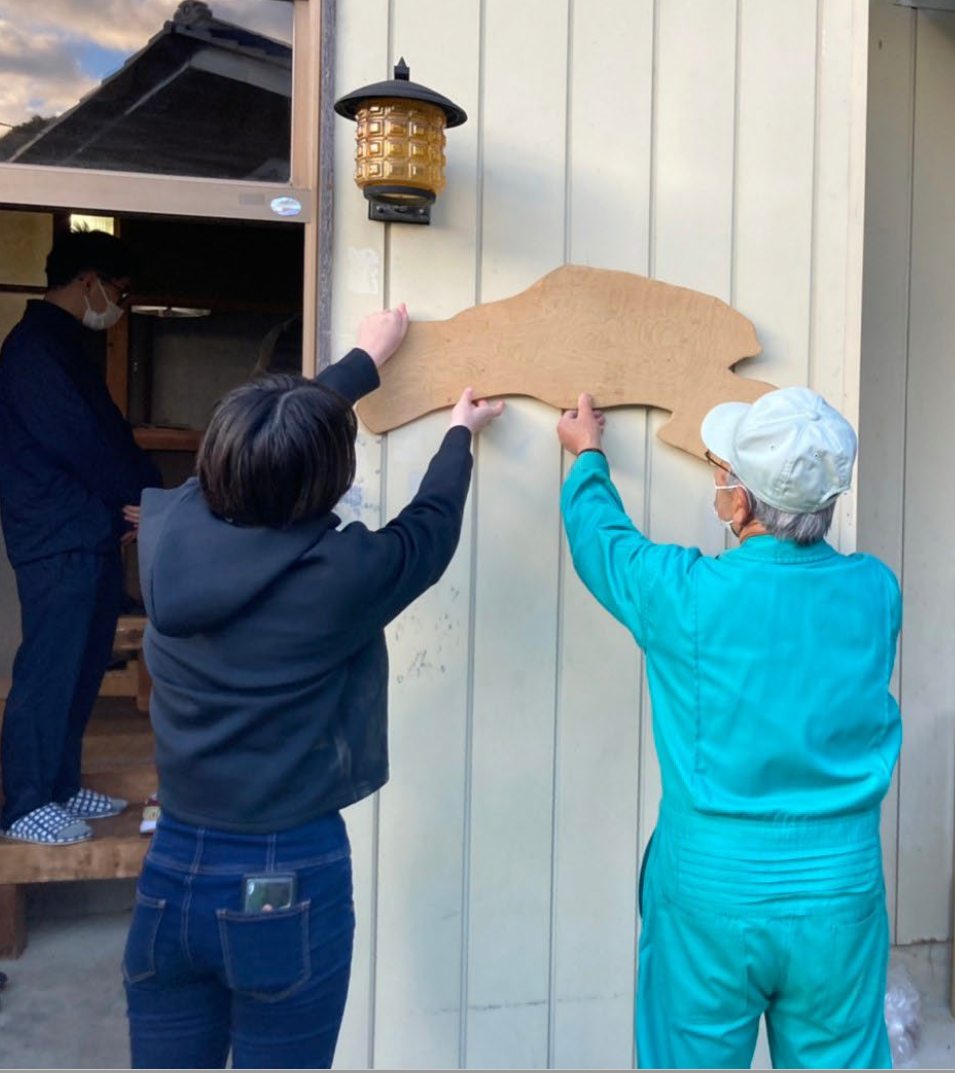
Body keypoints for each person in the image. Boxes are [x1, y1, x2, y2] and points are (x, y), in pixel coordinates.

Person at [122, 306, 503, 1069]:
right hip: (285, 871)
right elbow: (427, 533)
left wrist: (363, 360)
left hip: (171, 870)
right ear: (328, 479)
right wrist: (458, 435)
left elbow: (263, 444)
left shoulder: (171, 529)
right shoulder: (336, 578)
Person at [557, 388, 903, 1069]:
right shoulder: (877, 591)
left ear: (740, 503)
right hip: (840, 893)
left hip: (710, 895)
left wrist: (588, 456)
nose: (718, 482)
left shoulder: (683, 593)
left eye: (722, 471)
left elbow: (604, 543)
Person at [0, 230, 160, 846]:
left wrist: (137, 502)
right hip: (56, 535)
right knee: (50, 668)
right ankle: (24, 804)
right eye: (119, 291)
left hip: (84, 531)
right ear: (87, 280)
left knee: (82, 666)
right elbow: (84, 445)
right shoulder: (35, 348)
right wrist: (144, 498)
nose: (120, 306)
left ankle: (59, 785)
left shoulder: (62, 344)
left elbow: (106, 437)